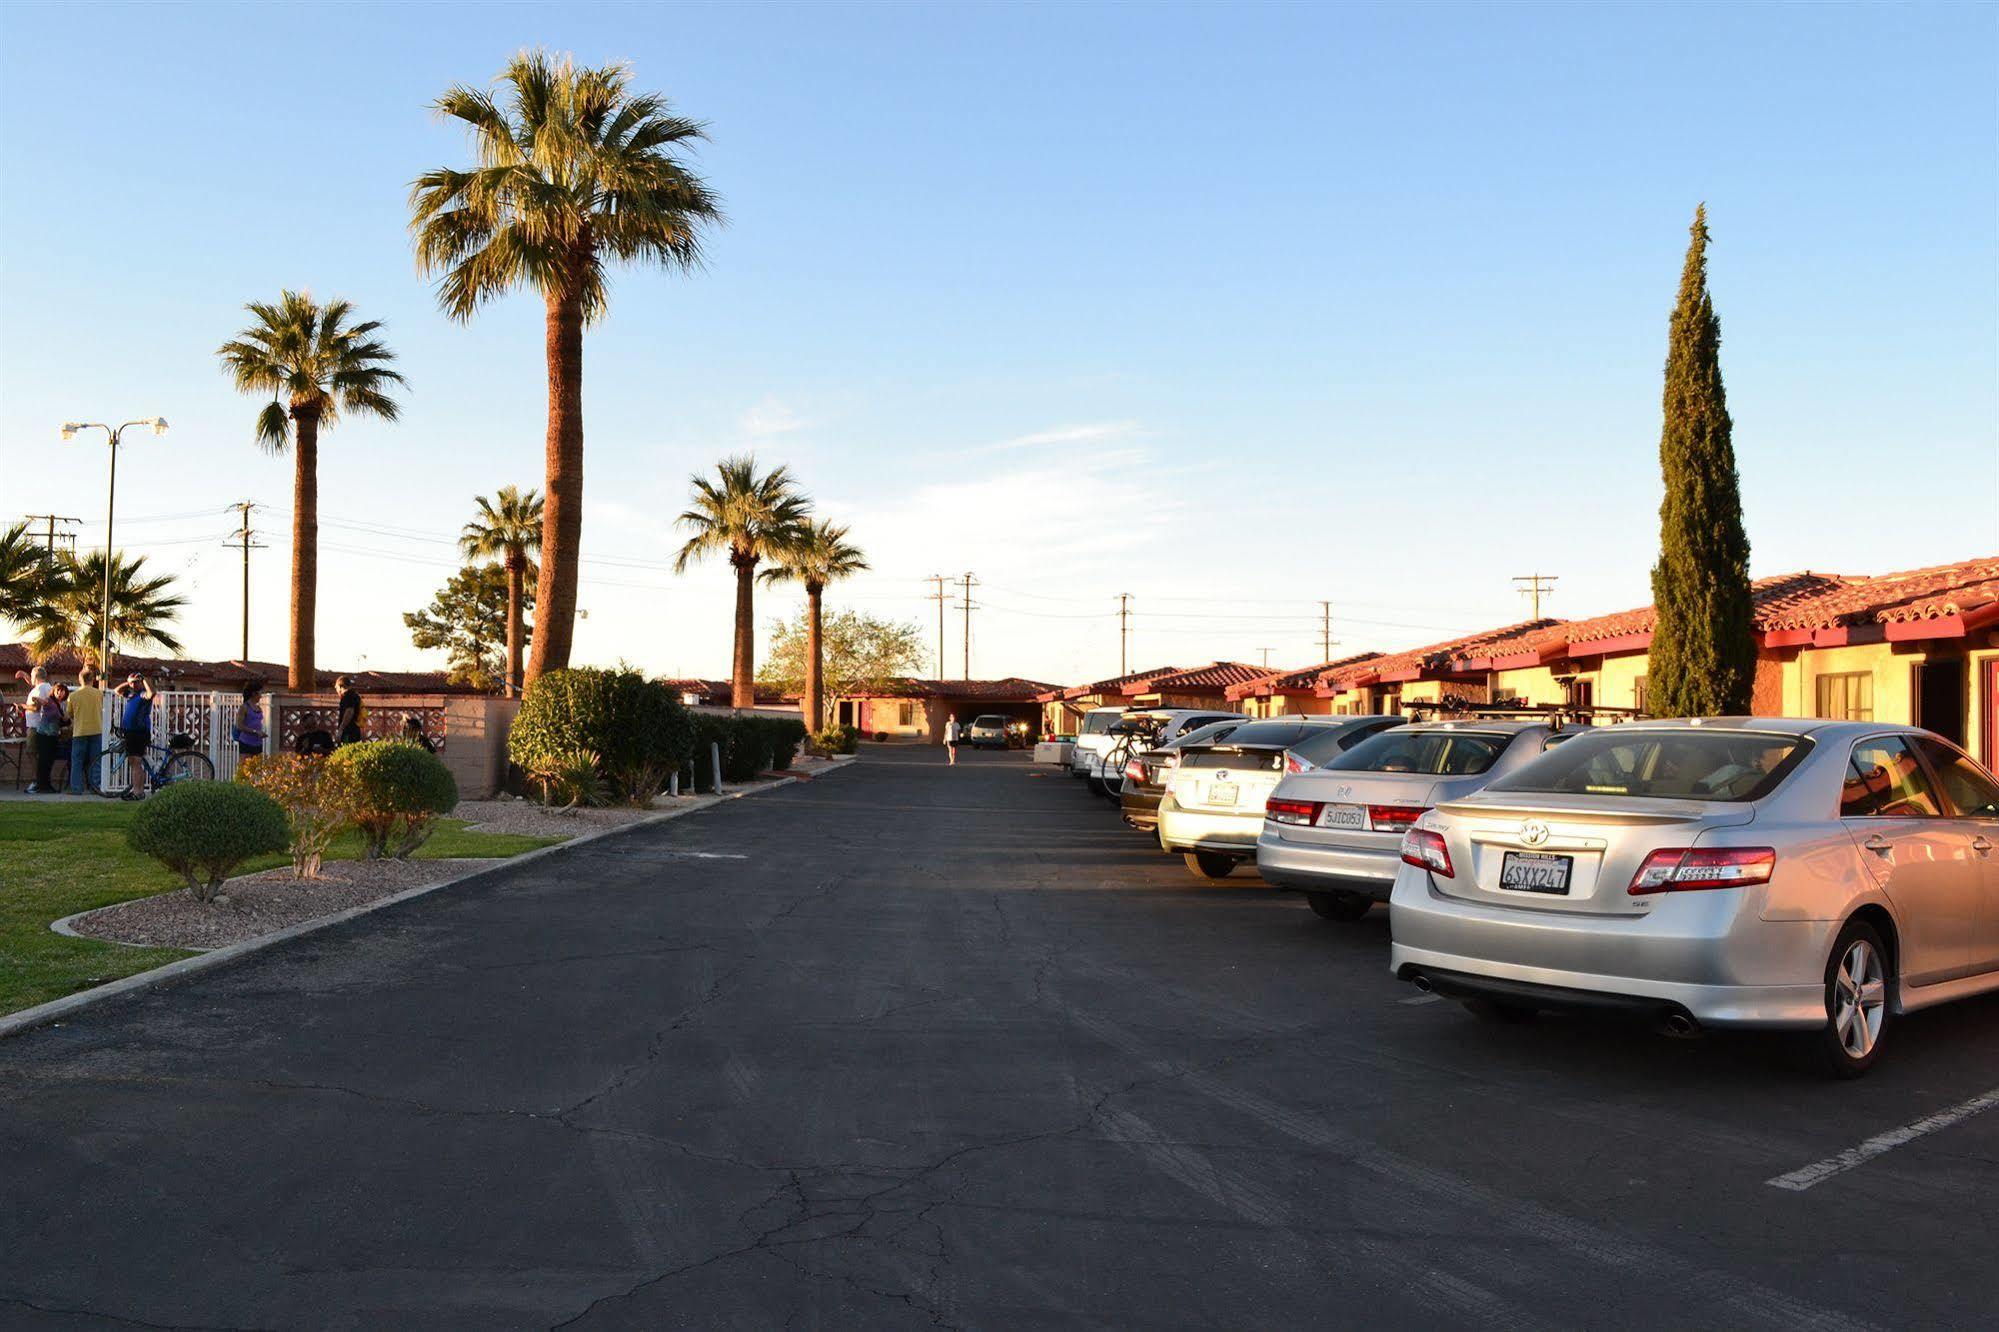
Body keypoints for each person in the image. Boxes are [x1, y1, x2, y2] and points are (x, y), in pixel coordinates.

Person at [25, 670, 66, 793]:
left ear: (36, 676)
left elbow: (38, 707)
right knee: (41, 756)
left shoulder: (40, 689)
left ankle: (37, 781)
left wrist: (23, 706)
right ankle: (40, 781)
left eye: (31, 676)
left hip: (37, 727)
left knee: (33, 753)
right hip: (46, 730)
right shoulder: (47, 687)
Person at [116, 674, 156, 800]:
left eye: (135, 683)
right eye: (131, 683)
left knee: (135, 762)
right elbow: (117, 691)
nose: (133, 685)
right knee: (135, 762)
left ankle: (137, 792)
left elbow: (152, 693)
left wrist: (143, 680)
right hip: (130, 732)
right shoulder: (131, 694)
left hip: (138, 732)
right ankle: (138, 791)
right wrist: (128, 683)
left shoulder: (143, 694)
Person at [67, 667, 105, 795]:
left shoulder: (73, 696)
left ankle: (76, 788)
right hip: (96, 729)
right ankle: (95, 787)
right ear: (92, 679)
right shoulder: (99, 694)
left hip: (79, 731)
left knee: (77, 761)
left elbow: (70, 714)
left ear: (80, 679)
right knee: (96, 760)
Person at [235, 683, 267, 765]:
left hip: (257, 743)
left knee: (257, 768)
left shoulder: (258, 708)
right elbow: (239, 726)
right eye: (260, 693)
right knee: (245, 767)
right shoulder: (244, 707)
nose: (261, 696)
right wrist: (255, 732)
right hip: (246, 742)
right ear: (254, 694)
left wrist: (260, 733)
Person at [335, 675, 363, 746]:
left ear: (341, 686)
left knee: (345, 752)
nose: (337, 691)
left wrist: (341, 729)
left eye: (336, 688)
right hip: (355, 730)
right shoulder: (356, 695)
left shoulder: (347, 695)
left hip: (348, 732)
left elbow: (349, 711)